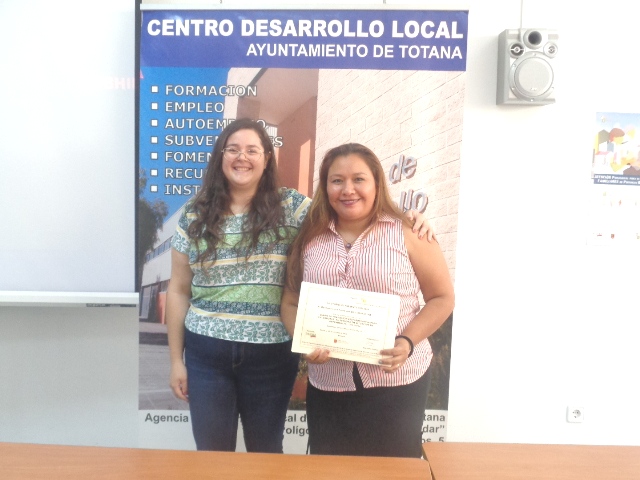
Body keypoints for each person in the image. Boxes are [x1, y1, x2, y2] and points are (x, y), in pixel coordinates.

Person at [166, 119, 434, 453]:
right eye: (232, 149)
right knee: (211, 453)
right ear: (220, 156)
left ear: (266, 159)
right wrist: (177, 360)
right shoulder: (194, 213)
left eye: (252, 150)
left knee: (266, 453)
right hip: (207, 353)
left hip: (270, 355)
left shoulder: (294, 207)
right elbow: (177, 290)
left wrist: (406, 217)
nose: (242, 157)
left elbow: (347, 206)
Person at [281, 143, 455, 458]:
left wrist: (407, 341)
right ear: (326, 186)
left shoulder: (408, 231)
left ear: (376, 183)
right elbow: (290, 303)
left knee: (395, 469)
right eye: (337, 181)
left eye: (358, 179)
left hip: (398, 381)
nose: (348, 190)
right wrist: (303, 340)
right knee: (331, 469)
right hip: (328, 383)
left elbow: (442, 298)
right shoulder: (308, 238)